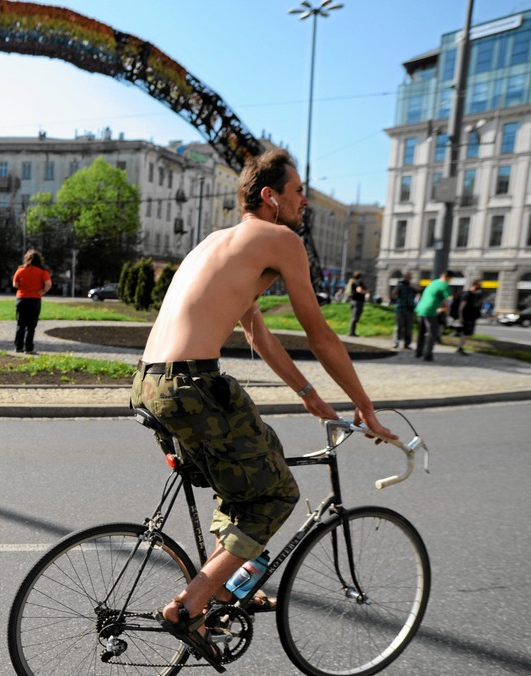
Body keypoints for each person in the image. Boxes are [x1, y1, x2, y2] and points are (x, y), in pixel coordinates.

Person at [130, 149, 395, 666]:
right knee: (277, 493)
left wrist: (309, 395)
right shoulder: (280, 239)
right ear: (270, 196)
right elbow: (319, 334)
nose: (304, 203)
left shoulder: (217, 242)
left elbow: (257, 332)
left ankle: (230, 588)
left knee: (240, 483)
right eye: (298, 192)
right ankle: (190, 607)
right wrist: (366, 408)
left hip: (147, 383)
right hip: (193, 385)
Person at [12, 249, 52, 354]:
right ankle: (29, 348)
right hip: (34, 299)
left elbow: (15, 285)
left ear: (27, 259)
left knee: (20, 324)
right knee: (31, 325)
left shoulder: (20, 270)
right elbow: (48, 284)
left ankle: (18, 347)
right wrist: (42, 291)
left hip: (21, 299)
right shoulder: (43, 271)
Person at [415, 270, 453, 362]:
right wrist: (447, 309)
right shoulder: (445, 285)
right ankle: (427, 354)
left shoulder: (434, 282)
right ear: (449, 278)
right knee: (432, 333)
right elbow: (448, 300)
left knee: (421, 332)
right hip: (430, 310)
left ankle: (418, 352)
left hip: (421, 308)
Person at [391, 272, 418, 350]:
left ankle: (407, 344)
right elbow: (394, 294)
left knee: (409, 328)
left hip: (410, 308)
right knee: (398, 326)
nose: (408, 278)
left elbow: (419, 290)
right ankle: (395, 343)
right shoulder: (400, 285)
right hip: (400, 308)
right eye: (407, 277)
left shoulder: (412, 286)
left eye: (410, 277)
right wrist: (398, 286)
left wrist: (411, 285)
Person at [455, 279, 482, 355]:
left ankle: (461, 347)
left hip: (472, 317)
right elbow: (461, 307)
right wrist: (461, 317)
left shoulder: (476, 295)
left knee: (467, 333)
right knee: (465, 333)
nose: (480, 287)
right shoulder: (467, 294)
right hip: (466, 317)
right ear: (474, 285)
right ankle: (460, 348)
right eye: (478, 285)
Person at [346, 271, 366, 337]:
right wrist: (365, 291)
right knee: (355, 317)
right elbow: (359, 290)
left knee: (354, 317)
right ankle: (352, 332)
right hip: (358, 301)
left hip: (352, 301)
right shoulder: (358, 282)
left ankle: (352, 332)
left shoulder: (352, 281)